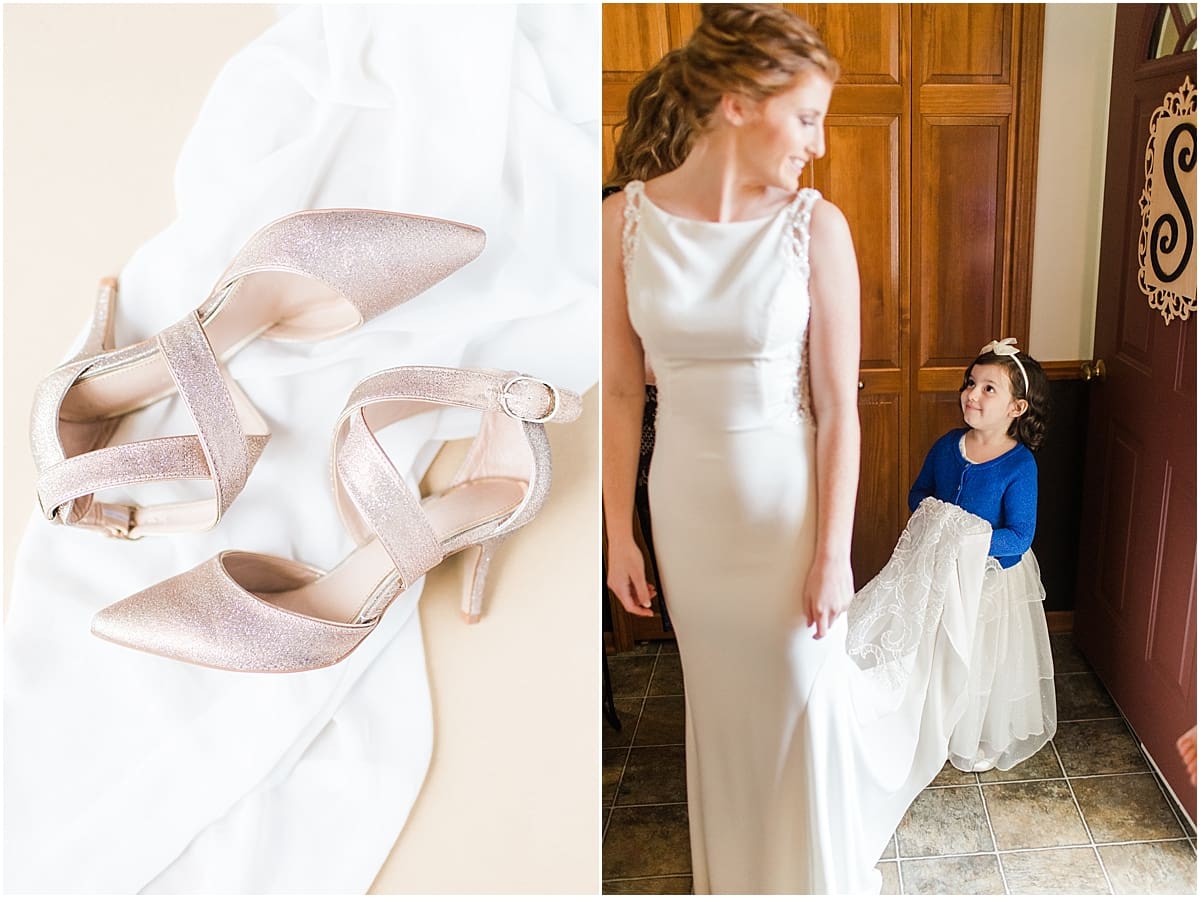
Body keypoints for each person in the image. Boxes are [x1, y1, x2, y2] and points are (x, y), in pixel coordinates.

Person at [603, 5, 865, 892]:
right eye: (806, 117)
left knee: (795, 706)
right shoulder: (624, 225)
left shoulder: (815, 228)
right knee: (717, 712)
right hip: (688, 517)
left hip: (786, 522)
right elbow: (618, 393)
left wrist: (834, 555)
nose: (817, 145)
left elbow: (839, 408)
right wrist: (618, 533)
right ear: (737, 103)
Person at [908, 339, 1057, 771]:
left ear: (1017, 408)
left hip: (990, 581)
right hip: (941, 569)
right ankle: (934, 725)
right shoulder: (947, 446)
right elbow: (919, 494)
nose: (972, 394)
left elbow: (1019, 535)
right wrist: (936, 523)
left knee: (980, 656)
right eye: (970, 383)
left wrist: (969, 541)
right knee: (939, 647)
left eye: (989, 389)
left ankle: (973, 732)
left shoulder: (1019, 466)